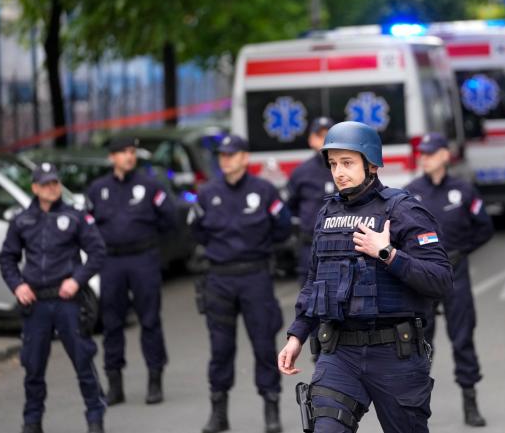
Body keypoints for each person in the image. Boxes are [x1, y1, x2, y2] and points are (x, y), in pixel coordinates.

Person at [278, 121, 453, 433]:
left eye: (347, 163)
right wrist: (297, 336)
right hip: (339, 353)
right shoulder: (327, 214)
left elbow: (440, 279)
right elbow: (316, 281)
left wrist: (387, 253)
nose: (339, 172)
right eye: (333, 164)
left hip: (393, 354)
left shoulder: (403, 211)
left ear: (371, 164)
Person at [189, 134, 291, 433]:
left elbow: (283, 227)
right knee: (220, 348)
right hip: (219, 278)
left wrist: (256, 250)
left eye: (232, 155)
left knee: (263, 344)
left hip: (255, 276)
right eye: (222, 155)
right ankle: (218, 411)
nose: (226, 159)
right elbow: (197, 230)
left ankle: (271, 408)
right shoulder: (208, 193)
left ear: (245, 158)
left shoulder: (264, 191)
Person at [0, 163, 107, 433]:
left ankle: (95, 417)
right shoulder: (22, 220)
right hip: (36, 303)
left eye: (55, 183)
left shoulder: (75, 217)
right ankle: (32, 421)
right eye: (46, 184)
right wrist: (17, 286)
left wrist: (77, 280)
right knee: (33, 366)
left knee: (83, 360)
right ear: (35, 188)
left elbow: (97, 252)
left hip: (67, 301)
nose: (52, 188)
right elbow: (7, 258)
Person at [404, 132, 493, 427]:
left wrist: (461, 251)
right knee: (420, 341)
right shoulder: (410, 192)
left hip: (455, 273)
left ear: (445, 155)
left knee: (463, 335)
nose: (424, 158)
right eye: (422, 154)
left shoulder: (463, 190)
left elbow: (484, 228)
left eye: (430, 153)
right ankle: (416, 407)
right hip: (422, 275)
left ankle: (470, 400)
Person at [86, 137, 177, 405]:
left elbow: (170, 218)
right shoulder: (98, 189)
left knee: (149, 320)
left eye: (131, 151)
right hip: (111, 261)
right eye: (123, 152)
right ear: (112, 157)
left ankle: (154, 379)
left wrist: (149, 242)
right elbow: (87, 224)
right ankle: (115, 383)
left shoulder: (149, 186)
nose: (129, 156)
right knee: (112, 322)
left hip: (143, 258)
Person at [287, 116, 335, 285]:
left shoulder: (349, 169)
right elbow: (291, 208)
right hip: (310, 247)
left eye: (329, 135)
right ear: (311, 139)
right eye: (320, 135)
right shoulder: (301, 173)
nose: (324, 140)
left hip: (343, 247)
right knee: (309, 303)